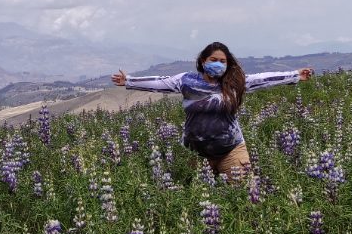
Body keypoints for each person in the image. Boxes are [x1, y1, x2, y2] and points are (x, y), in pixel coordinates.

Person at [111, 42, 313, 181]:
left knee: (241, 199)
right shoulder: (187, 80)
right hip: (194, 153)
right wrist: (128, 81)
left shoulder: (235, 83)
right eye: (214, 59)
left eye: (223, 61)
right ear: (203, 60)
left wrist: (295, 75)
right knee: (193, 199)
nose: (218, 64)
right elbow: (160, 82)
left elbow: (263, 79)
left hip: (231, 151)